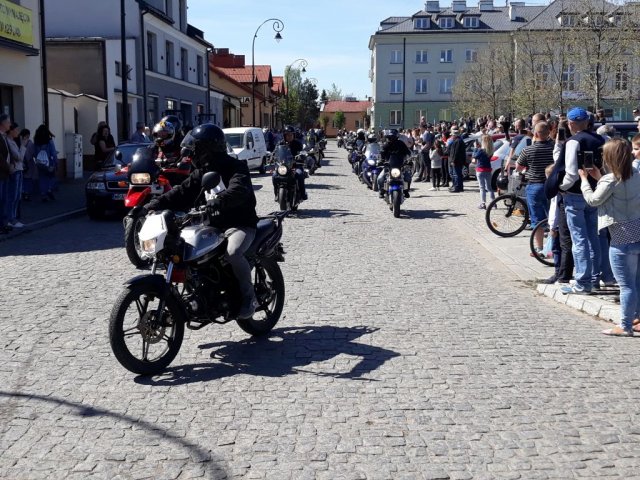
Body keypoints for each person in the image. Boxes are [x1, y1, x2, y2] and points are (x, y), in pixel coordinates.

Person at [141, 124, 260, 320]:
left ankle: (249, 298)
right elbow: (181, 191)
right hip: (212, 224)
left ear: (207, 149)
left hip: (239, 224)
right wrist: (152, 205)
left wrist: (220, 200)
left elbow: (239, 189)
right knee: (186, 249)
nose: (192, 156)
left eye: (195, 151)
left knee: (233, 252)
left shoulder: (236, 166)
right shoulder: (202, 171)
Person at [579, 138, 640, 336]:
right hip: (638, 231)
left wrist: (584, 181)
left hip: (621, 237)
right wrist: (600, 178)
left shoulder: (610, 180)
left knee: (626, 285)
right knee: (637, 283)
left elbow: (593, 200)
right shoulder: (636, 174)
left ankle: (625, 326)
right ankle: (637, 319)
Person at [558, 107, 605, 295]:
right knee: (594, 238)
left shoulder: (573, 142)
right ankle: (594, 279)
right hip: (595, 191)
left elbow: (571, 173)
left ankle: (582, 282)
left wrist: (561, 187)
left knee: (579, 240)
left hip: (575, 194)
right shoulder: (600, 139)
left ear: (570, 123)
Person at [516, 122, 555, 252]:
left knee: (537, 219)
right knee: (553, 217)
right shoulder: (554, 148)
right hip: (551, 186)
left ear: (535, 133)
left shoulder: (528, 150)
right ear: (548, 133)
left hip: (534, 186)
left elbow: (518, 167)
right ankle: (553, 247)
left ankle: (539, 248)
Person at [273, 125, 306, 201]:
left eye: (291, 135)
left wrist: (301, 156)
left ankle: (302, 194)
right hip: (284, 166)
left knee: (300, 174)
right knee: (274, 176)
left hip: (295, 165)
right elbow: (275, 152)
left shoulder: (298, 144)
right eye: (287, 135)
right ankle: (276, 194)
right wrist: (272, 156)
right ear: (284, 135)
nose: (289, 136)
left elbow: (301, 152)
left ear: (294, 135)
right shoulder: (280, 143)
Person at [377, 129, 412, 198]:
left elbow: (408, 152)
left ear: (396, 137)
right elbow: (382, 153)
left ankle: (405, 190)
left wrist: (409, 160)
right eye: (390, 137)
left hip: (400, 165)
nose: (391, 139)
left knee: (407, 177)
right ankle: (382, 191)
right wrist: (381, 161)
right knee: (380, 178)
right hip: (389, 165)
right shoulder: (386, 145)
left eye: (393, 137)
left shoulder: (401, 144)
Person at [6, 122, 26, 228]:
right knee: (13, 196)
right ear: (11, 131)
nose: (18, 132)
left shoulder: (13, 141)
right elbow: (19, 157)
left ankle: (13, 218)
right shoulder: (9, 142)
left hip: (19, 169)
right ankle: (11, 218)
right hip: (15, 171)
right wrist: (23, 145)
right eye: (16, 130)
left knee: (17, 196)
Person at [33, 124, 58, 202]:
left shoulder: (36, 142)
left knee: (42, 178)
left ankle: (43, 194)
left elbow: (35, 153)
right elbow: (53, 153)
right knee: (51, 177)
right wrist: (55, 163)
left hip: (40, 163)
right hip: (49, 162)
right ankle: (49, 189)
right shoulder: (49, 141)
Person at [473, 134, 495, 209]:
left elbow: (474, 156)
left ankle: (483, 203)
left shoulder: (480, 150)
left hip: (480, 170)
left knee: (482, 188)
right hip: (488, 170)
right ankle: (493, 203)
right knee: (489, 188)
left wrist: (475, 148)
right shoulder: (490, 151)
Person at [0, 114, 13, 233]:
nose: (10, 124)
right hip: (1, 173)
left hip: (5, 174)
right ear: (2, 123)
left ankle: (3, 224)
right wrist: (8, 167)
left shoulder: (5, 137)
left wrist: (12, 164)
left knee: (4, 199)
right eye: (8, 122)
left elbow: (8, 153)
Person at [20, 129, 37, 201]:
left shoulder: (20, 143)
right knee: (29, 179)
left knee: (23, 179)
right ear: (28, 135)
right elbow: (34, 154)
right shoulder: (30, 144)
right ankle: (27, 194)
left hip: (21, 163)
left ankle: (23, 192)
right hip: (29, 164)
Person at [447, 128, 466, 193]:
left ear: (455, 135)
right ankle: (459, 187)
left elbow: (456, 152)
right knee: (458, 174)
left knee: (456, 174)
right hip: (458, 160)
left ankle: (457, 187)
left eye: (452, 135)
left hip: (457, 161)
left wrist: (453, 160)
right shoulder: (459, 141)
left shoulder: (457, 141)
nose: (451, 136)